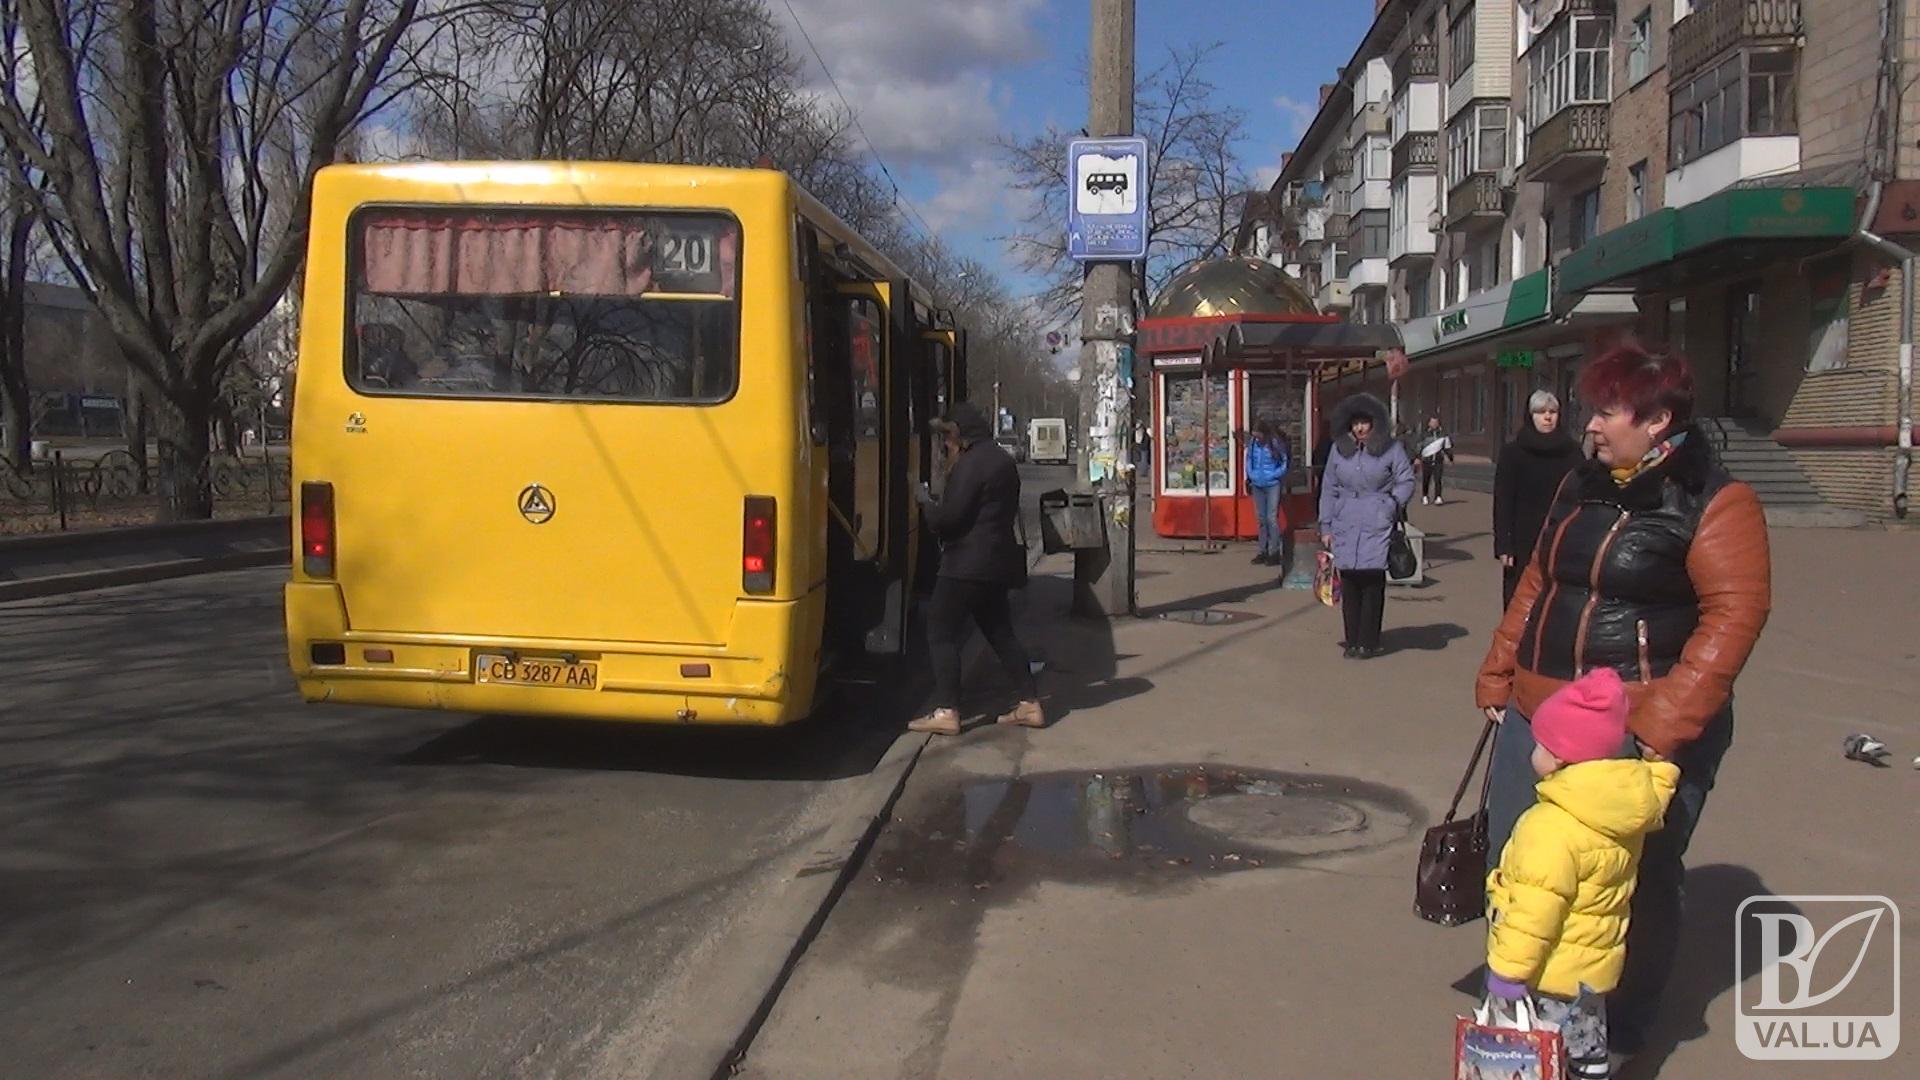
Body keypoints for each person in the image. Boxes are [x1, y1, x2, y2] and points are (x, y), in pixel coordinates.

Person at [1474, 339, 1771, 1060]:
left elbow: (1735, 614)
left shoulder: (1714, 501)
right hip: (1539, 714)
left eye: (1607, 411)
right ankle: (1525, 1023)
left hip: (1639, 730)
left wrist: (1664, 725)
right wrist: (1500, 670)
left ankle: (1618, 1033)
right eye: (1590, 410)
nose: (1592, 426)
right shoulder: (1582, 483)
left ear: (1659, 419)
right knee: (1518, 862)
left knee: (1637, 882)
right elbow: (1540, 581)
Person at [1484, 668, 1679, 1080]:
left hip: (1547, 975)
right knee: (1586, 1055)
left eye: (1540, 743)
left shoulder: (1550, 828)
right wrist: (1660, 767)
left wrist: (1508, 972)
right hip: (1592, 974)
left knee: (1534, 1057)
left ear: (1558, 756)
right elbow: (1655, 791)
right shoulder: (1624, 806)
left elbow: (1535, 912)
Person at [910, 402, 1044, 736]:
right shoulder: (1002, 460)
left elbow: (949, 519)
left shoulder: (971, 464)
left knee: (940, 631)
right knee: (1000, 633)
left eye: (947, 436)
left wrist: (924, 500)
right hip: (996, 563)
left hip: (965, 565)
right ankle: (1029, 704)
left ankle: (947, 710)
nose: (945, 444)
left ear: (959, 433)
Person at [1317, 393, 1416, 659]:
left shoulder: (1391, 449)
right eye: (1355, 423)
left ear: (1375, 424)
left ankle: (1369, 641)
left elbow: (1406, 480)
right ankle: (1352, 641)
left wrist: (1391, 504)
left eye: (1365, 423)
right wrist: (1325, 526)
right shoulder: (1339, 450)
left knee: (1372, 582)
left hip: (1377, 520)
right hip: (1345, 521)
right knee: (1349, 582)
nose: (1360, 428)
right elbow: (1329, 488)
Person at [1492, 390, 1584, 607]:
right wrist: (1504, 545)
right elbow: (1503, 501)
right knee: (1520, 601)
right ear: (1530, 415)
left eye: (1552, 411)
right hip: (1523, 538)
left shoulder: (1572, 452)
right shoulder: (1512, 452)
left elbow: (1582, 495)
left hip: (1561, 536)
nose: (1547, 417)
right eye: (1540, 412)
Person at [1244, 418, 1291, 566]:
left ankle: (1274, 552)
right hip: (1257, 484)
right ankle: (1262, 551)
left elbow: (1285, 462)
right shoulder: (1253, 444)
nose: (1256, 438)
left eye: (1258, 435)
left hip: (1272, 484)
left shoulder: (1275, 444)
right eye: (1254, 435)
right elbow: (1249, 459)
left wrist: (1274, 475)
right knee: (1261, 519)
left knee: (1271, 518)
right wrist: (1251, 474)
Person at [1418, 415, 1455, 505]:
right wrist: (1417, 458)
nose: (1434, 424)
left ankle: (1438, 497)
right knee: (1426, 479)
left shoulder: (1443, 434)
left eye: (1436, 422)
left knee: (1438, 479)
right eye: (1432, 422)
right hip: (1427, 460)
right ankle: (1425, 496)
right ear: (1429, 423)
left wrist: (1450, 458)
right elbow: (1418, 447)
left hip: (1438, 460)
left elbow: (1447, 447)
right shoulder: (1424, 434)